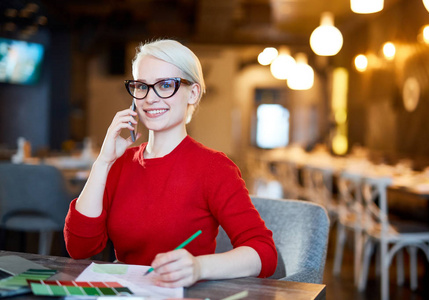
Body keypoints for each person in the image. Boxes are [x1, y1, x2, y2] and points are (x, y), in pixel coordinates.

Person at [64, 39, 277, 288]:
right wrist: (102, 162)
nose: (150, 98)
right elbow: (79, 248)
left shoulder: (215, 168)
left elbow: (264, 253)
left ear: (193, 92)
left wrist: (199, 267)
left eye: (165, 85)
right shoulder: (119, 164)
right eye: (142, 86)